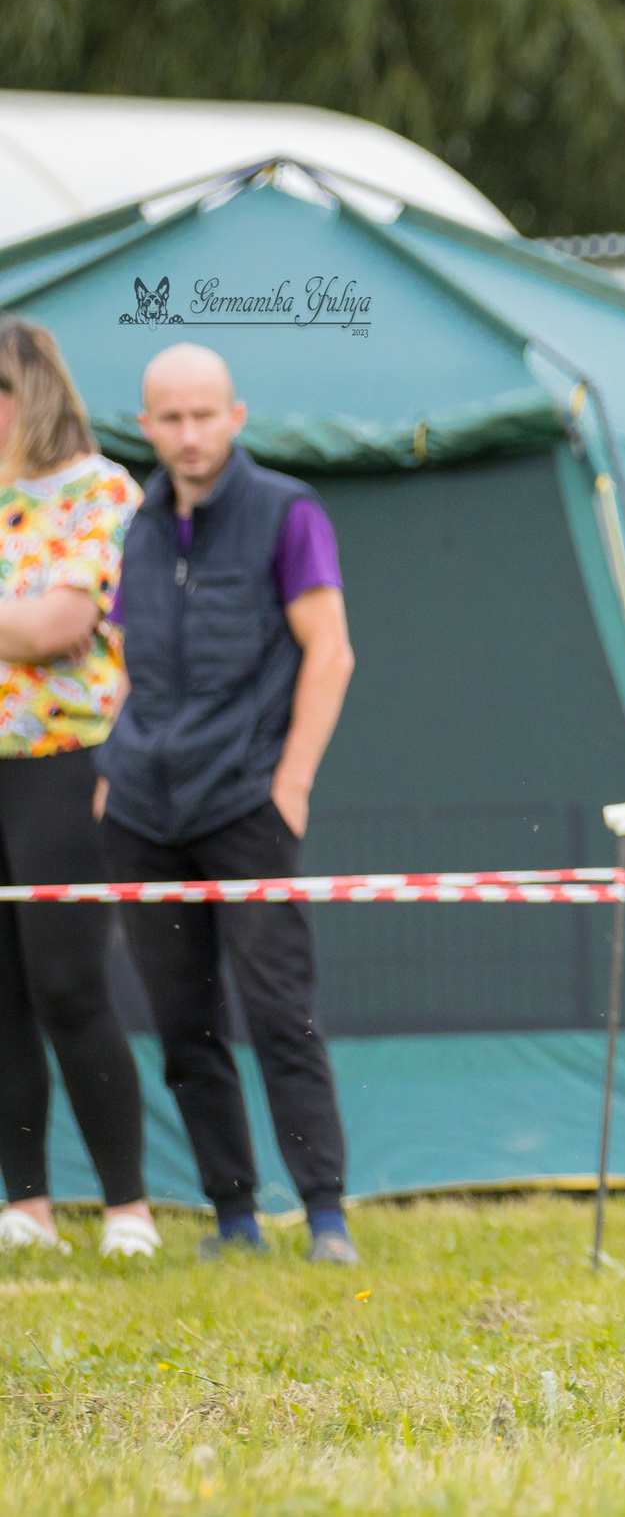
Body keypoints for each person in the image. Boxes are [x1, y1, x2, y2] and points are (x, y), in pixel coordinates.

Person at [95, 344, 359, 1265]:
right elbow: (126, 658)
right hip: (140, 812)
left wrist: (290, 786)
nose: (188, 433)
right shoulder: (136, 524)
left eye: (204, 414)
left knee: (281, 1012)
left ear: (236, 416)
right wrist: (109, 771)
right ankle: (233, 1220)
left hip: (246, 803)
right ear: (146, 426)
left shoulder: (287, 510)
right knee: (181, 1023)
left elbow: (330, 653)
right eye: (169, 418)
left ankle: (325, 1214)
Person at [0, 318, 158, 1259]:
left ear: (27, 395)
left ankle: (127, 1208)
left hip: (68, 765)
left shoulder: (103, 493)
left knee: (68, 984)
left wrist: (28, 622)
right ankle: (26, 1204)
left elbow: (55, 626)